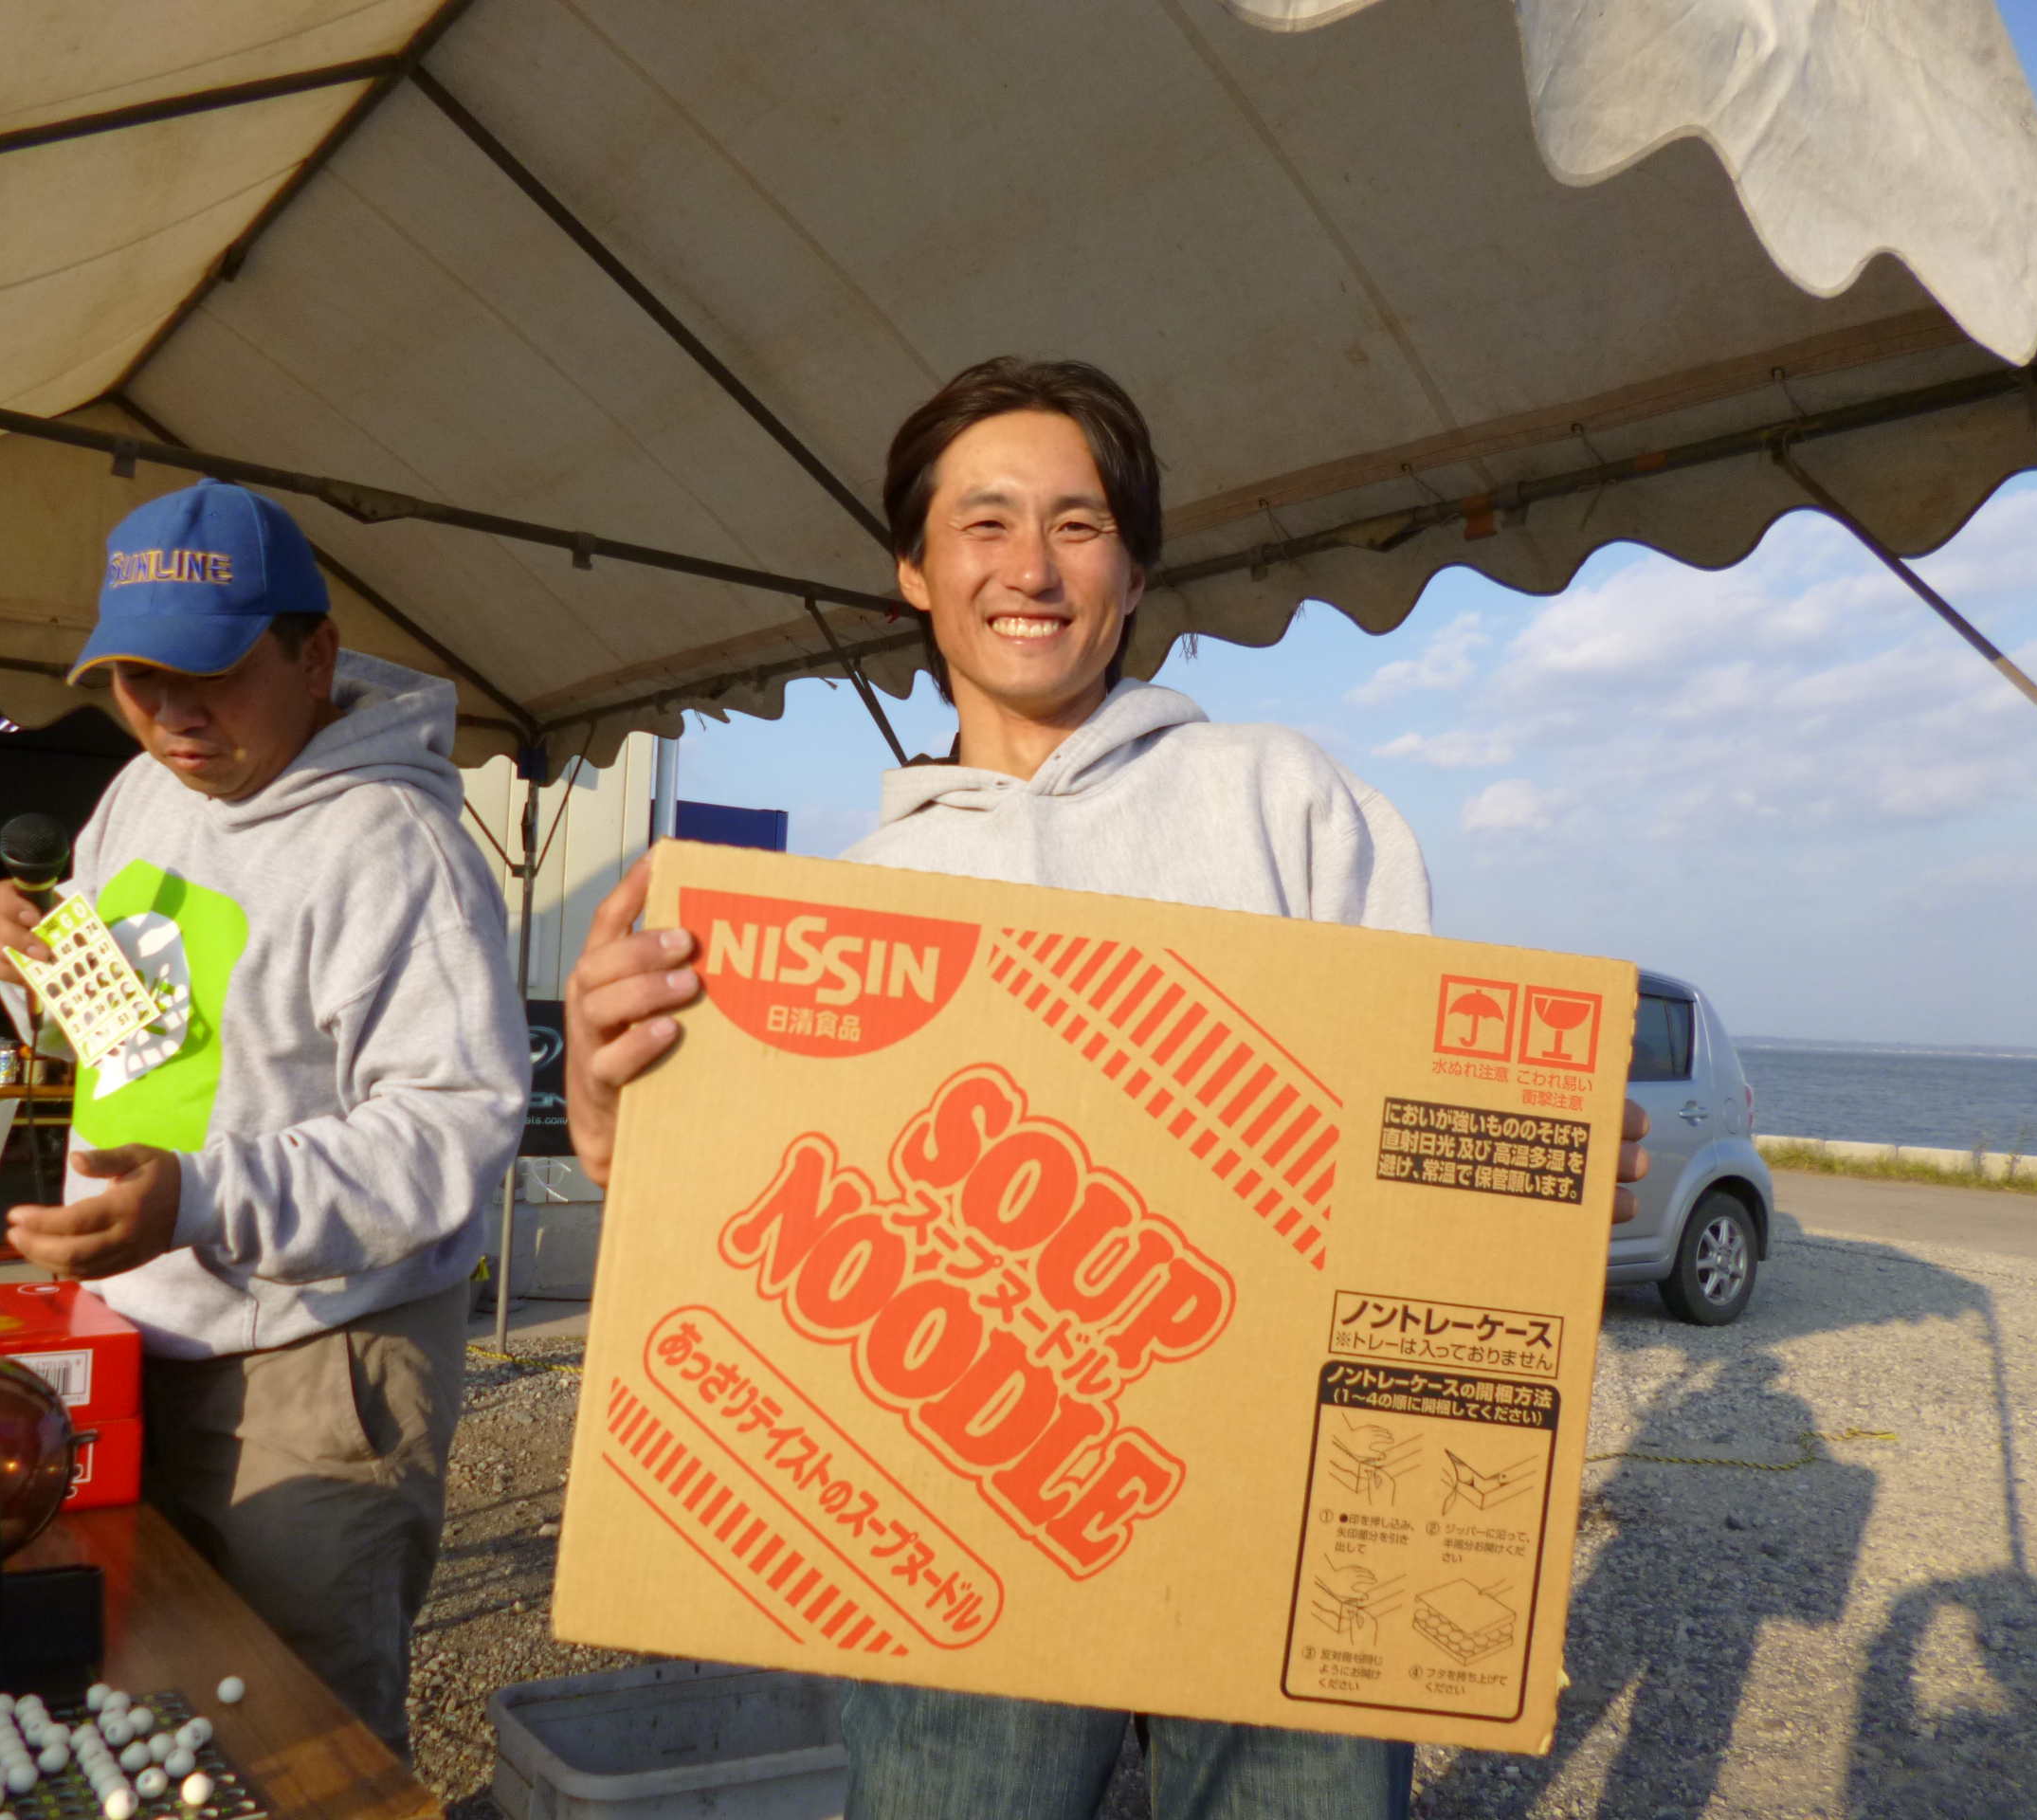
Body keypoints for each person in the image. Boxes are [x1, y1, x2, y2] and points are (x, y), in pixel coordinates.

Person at [564, 358, 1647, 1818]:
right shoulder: (846, 903)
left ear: (1132, 572)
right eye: (985, 521)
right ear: (914, 569)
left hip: (1274, 1515)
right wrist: (613, 1118)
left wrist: (1527, 1182)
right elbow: (730, 1249)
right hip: (964, 1530)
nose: (1031, 567)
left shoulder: (1279, 797)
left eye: (1077, 525)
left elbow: (1407, 1118)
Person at [0, 477, 530, 1756]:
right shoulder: (141, 795)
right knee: (144, 1694)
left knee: (301, 1732)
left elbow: (455, 1122)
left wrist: (204, 1197)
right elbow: (132, 1034)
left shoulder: (396, 844)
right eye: (137, 678)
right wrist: (34, 970)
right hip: (133, 1330)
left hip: (317, 1358)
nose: (173, 713)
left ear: (314, 654)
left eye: (212, 673)